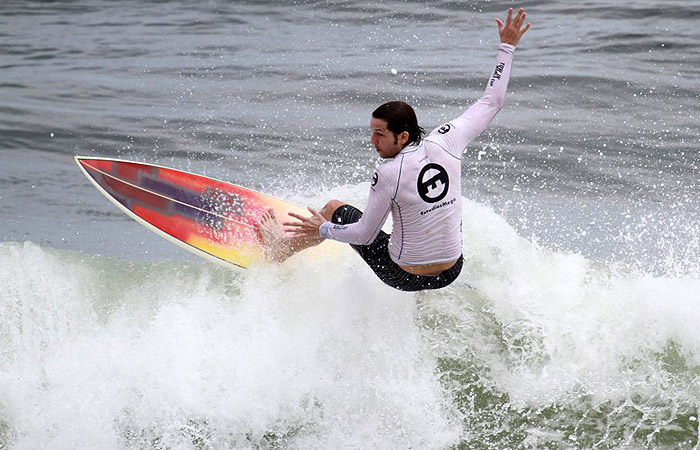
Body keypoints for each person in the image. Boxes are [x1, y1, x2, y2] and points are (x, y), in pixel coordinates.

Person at [258, 8, 531, 291]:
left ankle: (280, 250)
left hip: (403, 277)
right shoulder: (449, 140)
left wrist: (323, 229)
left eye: (379, 134)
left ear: (402, 136)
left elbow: (365, 235)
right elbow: (491, 102)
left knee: (332, 209)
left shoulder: (388, 173)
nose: (372, 141)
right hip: (452, 271)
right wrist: (507, 47)